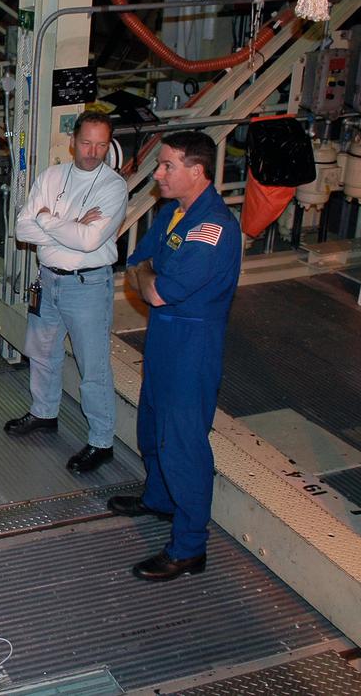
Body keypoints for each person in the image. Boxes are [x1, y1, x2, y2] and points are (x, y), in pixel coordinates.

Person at [112, 130, 241, 582]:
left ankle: (189, 548)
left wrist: (149, 277)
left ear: (197, 171)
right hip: (164, 340)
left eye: (168, 166)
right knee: (152, 426)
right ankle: (160, 500)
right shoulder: (171, 213)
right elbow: (134, 267)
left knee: (184, 444)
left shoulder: (213, 228)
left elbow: (159, 290)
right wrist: (147, 277)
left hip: (192, 347)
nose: (159, 173)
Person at [7, 112, 128, 473]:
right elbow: (22, 230)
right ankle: (44, 413)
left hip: (87, 286)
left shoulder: (113, 187)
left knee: (93, 367)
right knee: (43, 353)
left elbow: (90, 240)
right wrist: (70, 226)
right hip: (49, 279)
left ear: (109, 146)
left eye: (101, 145)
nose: (92, 152)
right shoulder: (52, 176)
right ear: (72, 141)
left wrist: (46, 219)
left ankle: (101, 441)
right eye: (87, 142)